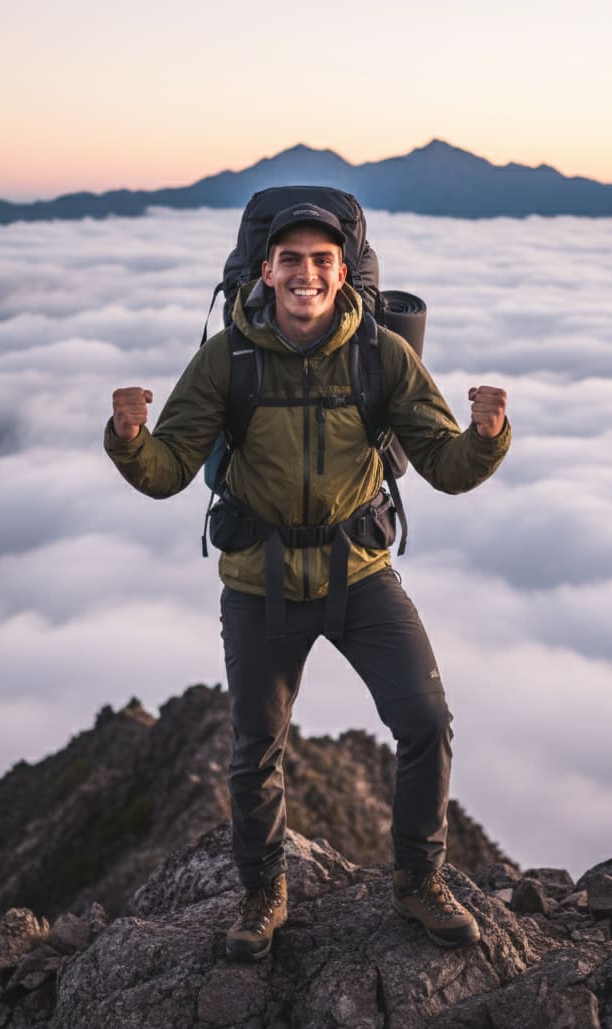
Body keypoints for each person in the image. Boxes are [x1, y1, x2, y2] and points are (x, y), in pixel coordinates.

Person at [104, 202, 510, 960]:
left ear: (342, 271)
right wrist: (130, 441)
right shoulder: (229, 358)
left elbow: (446, 468)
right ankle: (264, 890)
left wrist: (485, 439)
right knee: (256, 743)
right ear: (266, 271)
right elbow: (167, 472)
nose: (306, 272)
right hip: (261, 579)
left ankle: (419, 880)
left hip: (359, 570)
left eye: (322, 259)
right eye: (290, 258)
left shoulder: (381, 355)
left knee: (424, 720)